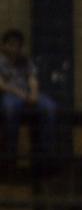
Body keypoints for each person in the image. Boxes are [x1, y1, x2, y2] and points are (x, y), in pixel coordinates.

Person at [0, 28, 56, 161]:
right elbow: (2, 85)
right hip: (11, 94)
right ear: (4, 45)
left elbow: (32, 79)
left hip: (27, 93)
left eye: (18, 45)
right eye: (11, 44)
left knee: (50, 107)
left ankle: (45, 152)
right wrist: (22, 95)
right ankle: (11, 152)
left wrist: (34, 94)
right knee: (10, 109)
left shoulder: (25, 61)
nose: (15, 48)